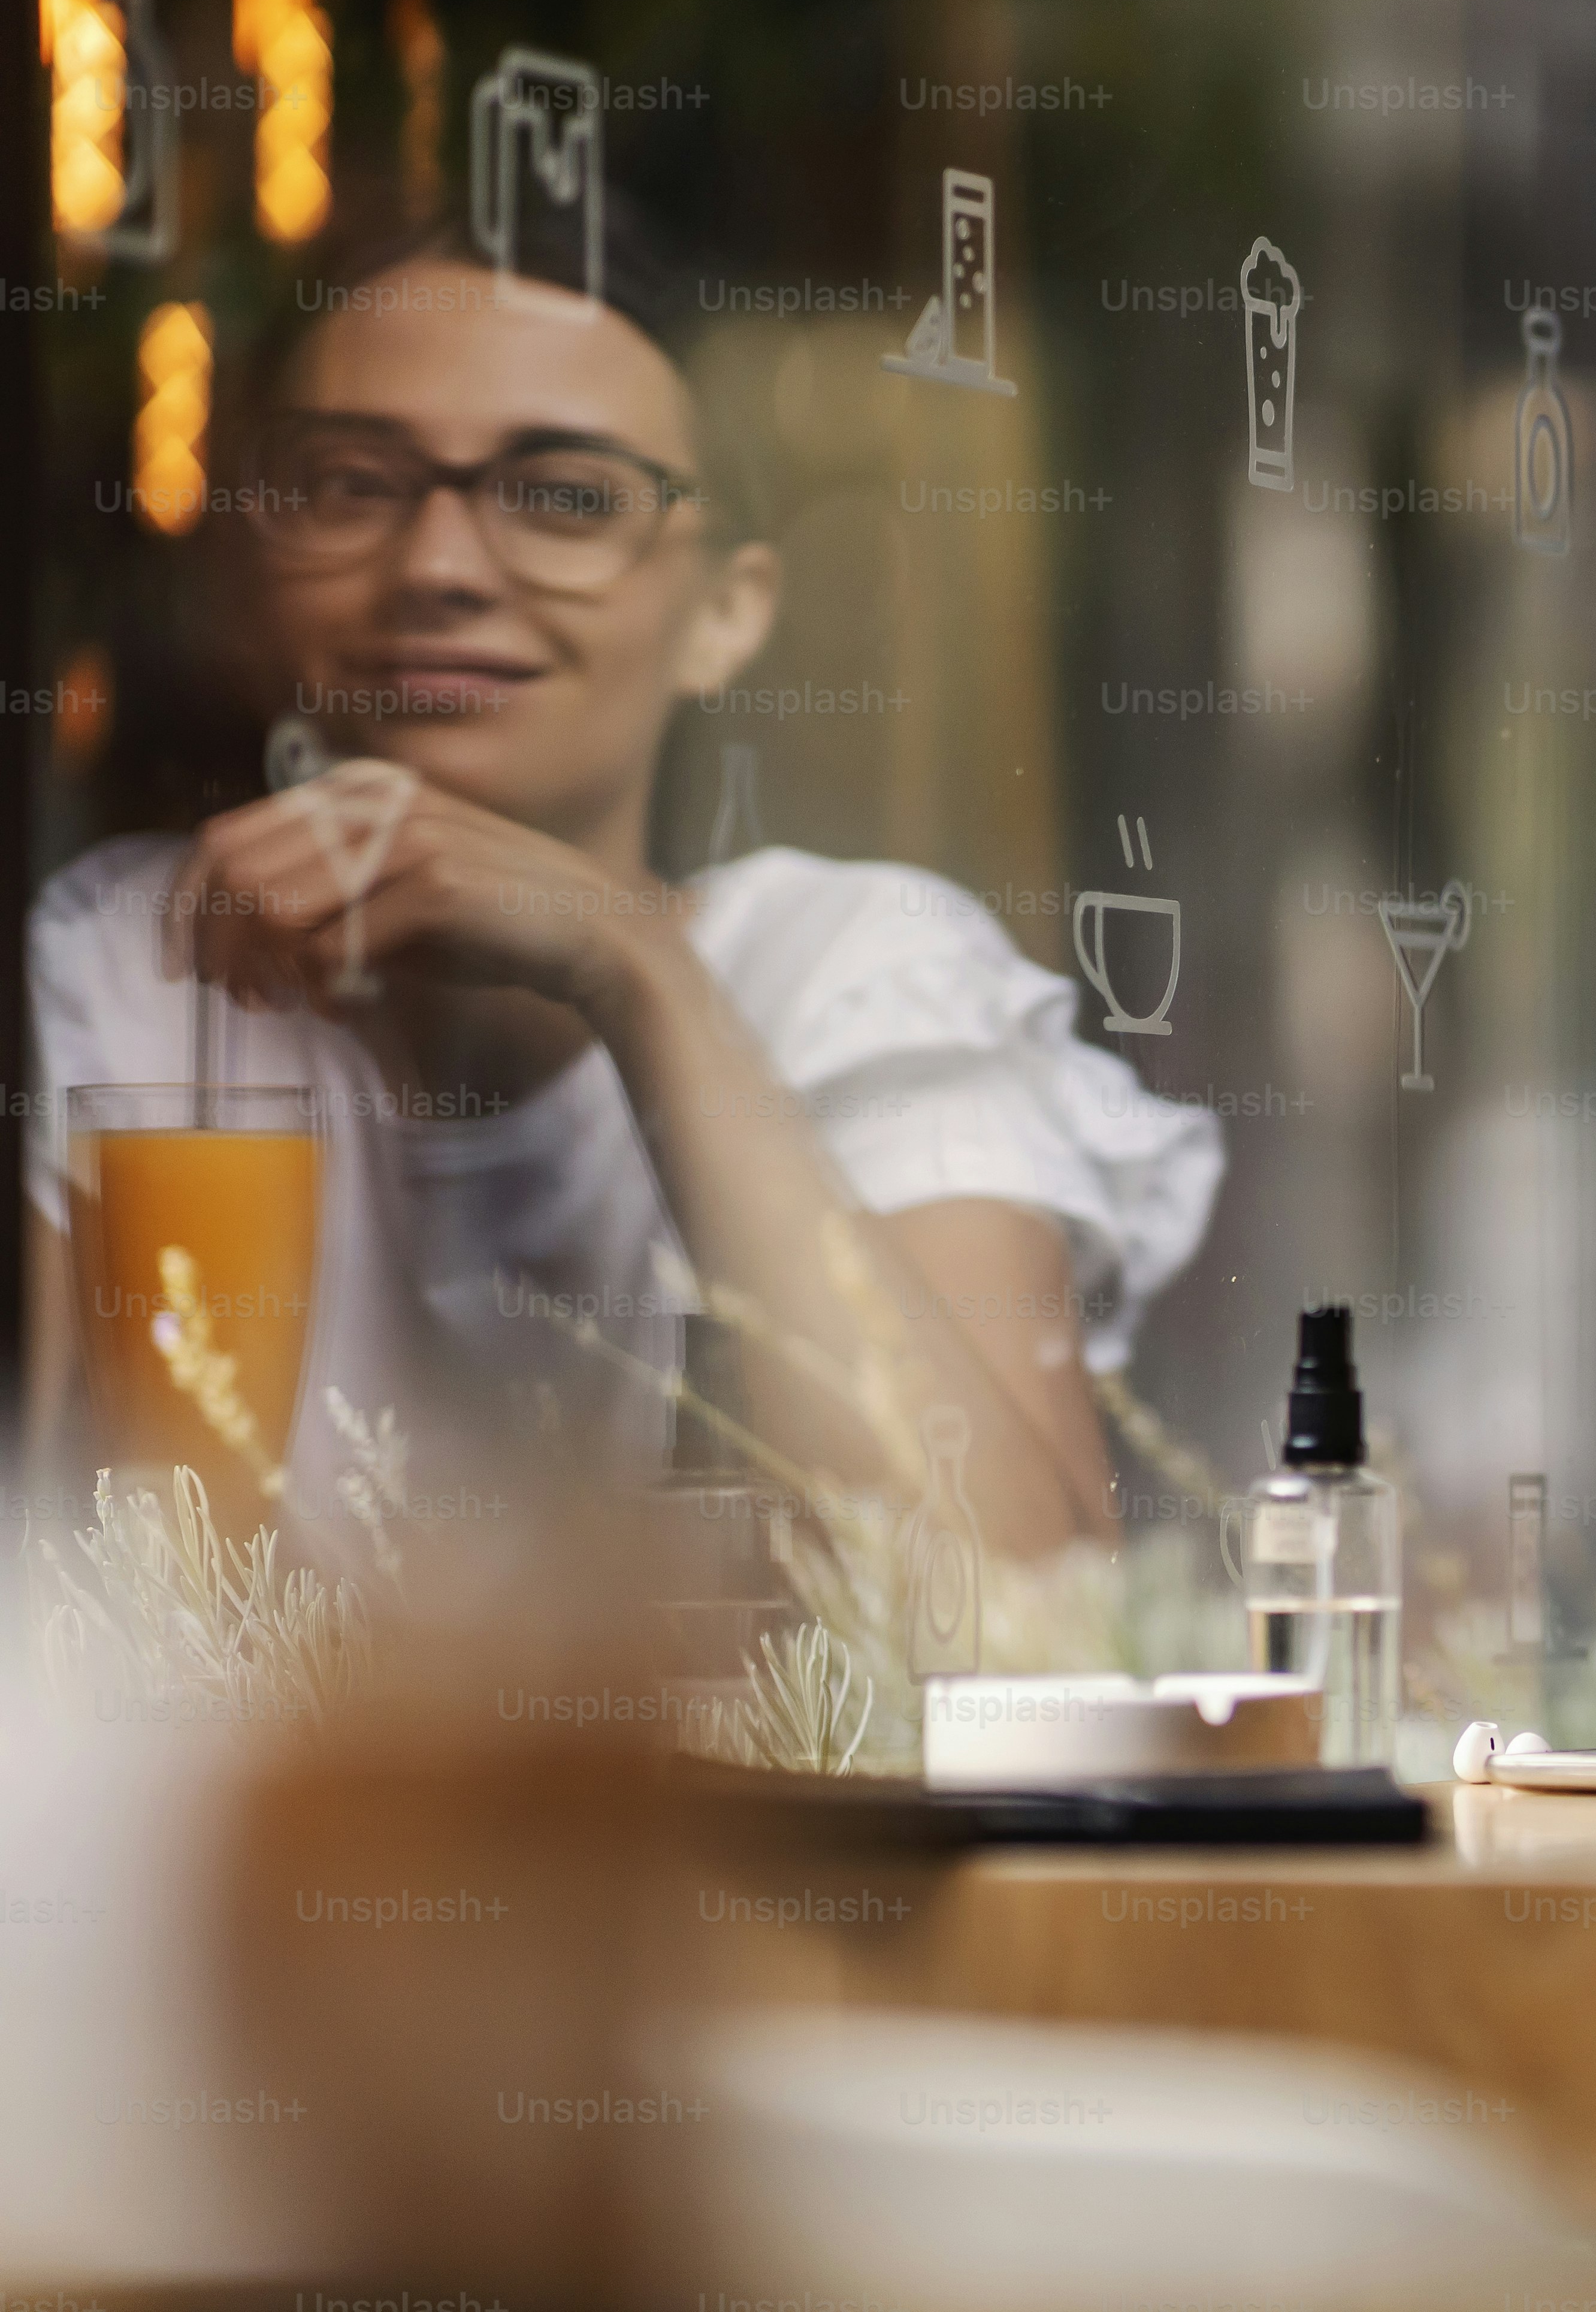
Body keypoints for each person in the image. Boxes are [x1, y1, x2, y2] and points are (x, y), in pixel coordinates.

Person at [23, 225, 1219, 1561]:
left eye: (571, 496)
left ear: (725, 612)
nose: (441, 567)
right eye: (350, 482)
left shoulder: (857, 972)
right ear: (246, 587)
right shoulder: (136, 962)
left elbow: (1024, 1630)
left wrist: (631, 961)